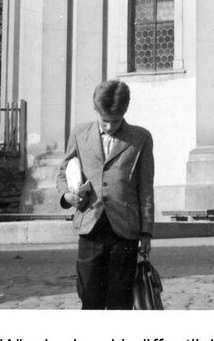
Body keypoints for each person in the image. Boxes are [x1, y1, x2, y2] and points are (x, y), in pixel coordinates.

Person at [57, 79, 155, 310]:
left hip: (125, 231)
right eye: (104, 121)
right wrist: (67, 196)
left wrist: (147, 231)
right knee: (89, 296)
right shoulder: (80, 134)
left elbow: (146, 187)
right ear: (96, 111)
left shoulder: (140, 138)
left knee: (120, 299)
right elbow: (63, 172)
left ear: (124, 113)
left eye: (115, 121)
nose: (109, 126)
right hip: (90, 227)